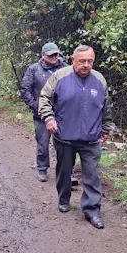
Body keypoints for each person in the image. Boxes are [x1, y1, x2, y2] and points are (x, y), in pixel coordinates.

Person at [38, 45, 117, 229]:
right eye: (82, 61)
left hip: (91, 139)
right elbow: (44, 99)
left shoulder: (99, 80)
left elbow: (106, 107)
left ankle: (92, 211)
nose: (86, 65)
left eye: (90, 61)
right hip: (64, 136)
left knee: (92, 174)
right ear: (73, 60)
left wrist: (106, 129)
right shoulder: (60, 76)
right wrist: (49, 118)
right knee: (64, 172)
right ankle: (64, 198)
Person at [21, 42, 77, 184]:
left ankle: (68, 173)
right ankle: (42, 168)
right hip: (41, 115)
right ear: (43, 55)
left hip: (63, 115)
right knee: (42, 143)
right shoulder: (33, 69)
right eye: (50, 54)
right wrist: (35, 105)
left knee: (66, 145)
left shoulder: (67, 68)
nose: (54, 57)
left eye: (56, 54)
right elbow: (25, 89)